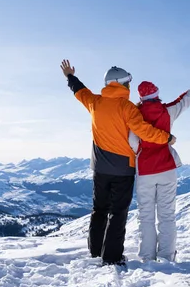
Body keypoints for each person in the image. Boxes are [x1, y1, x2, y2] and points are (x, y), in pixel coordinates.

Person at [60, 59, 177, 266]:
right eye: (128, 83)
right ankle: (112, 257)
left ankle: (96, 251)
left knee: (99, 209)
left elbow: (80, 91)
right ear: (122, 84)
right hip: (123, 169)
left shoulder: (95, 102)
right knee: (118, 212)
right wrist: (166, 138)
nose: (130, 87)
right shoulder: (128, 108)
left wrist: (70, 76)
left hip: (100, 167)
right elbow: (144, 131)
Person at [130, 63, 190, 262]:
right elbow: (188, 97)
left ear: (141, 98)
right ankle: (167, 257)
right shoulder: (168, 111)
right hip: (167, 169)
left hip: (144, 171)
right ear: (157, 94)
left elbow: (132, 141)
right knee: (167, 216)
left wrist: (140, 152)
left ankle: (146, 256)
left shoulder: (135, 117)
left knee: (146, 216)